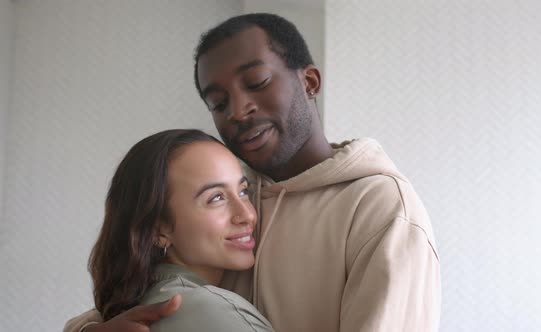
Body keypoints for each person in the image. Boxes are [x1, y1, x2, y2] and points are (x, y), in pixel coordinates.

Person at [64, 13, 440, 332]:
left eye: (257, 83)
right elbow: (153, 296)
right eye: (218, 102)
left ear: (309, 82)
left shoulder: (380, 206)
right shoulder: (234, 198)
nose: (238, 111)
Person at [69, 129, 273, 332]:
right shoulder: (214, 311)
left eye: (243, 191)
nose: (247, 215)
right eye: (216, 198)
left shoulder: (137, 305)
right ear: (158, 229)